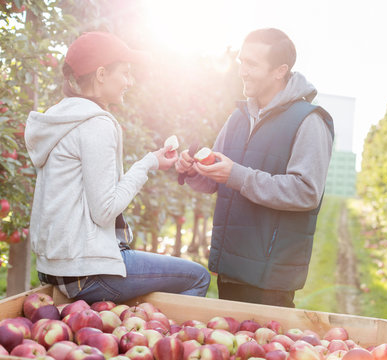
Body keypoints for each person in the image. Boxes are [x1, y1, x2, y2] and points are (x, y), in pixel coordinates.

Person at [24, 31, 210, 304]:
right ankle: (148, 339)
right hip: (89, 273)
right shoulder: (96, 124)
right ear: (101, 74)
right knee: (198, 276)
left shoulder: (61, 118)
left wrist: (152, 161)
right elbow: (105, 210)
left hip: (57, 270)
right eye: (124, 73)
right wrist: (147, 164)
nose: (129, 82)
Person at [176, 28, 334, 307]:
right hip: (230, 268)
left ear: (279, 71)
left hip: (270, 276)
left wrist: (238, 175)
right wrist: (193, 171)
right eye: (241, 62)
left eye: (252, 64)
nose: (242, 71)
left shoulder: (309, 121)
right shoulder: (238, 117)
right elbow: (216, 179)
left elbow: (306, 191)